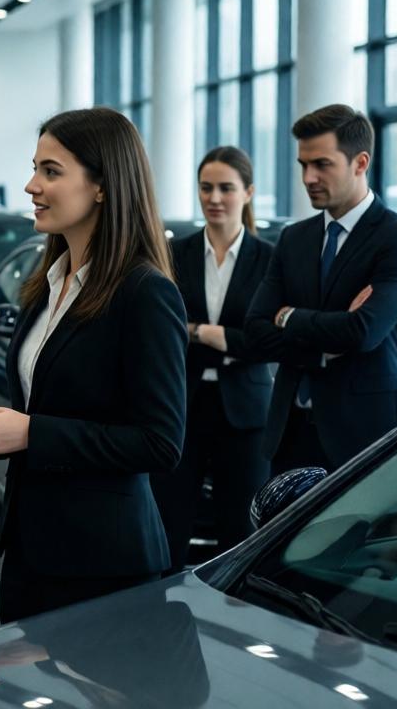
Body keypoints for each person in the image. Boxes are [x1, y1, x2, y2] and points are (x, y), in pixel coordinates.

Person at [0, 107, 187, 623]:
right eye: (35, 168)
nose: (31, 185)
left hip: (104, 565)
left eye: (51, 171)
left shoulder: (145, 293)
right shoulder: (48, 284)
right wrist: (4, 431)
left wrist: (31, 434)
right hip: (31, 550)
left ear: (103, 186)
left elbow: (160, 441)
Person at [245, 104, 397, 474]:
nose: (308, 177)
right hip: (291, 432)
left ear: (360, 163)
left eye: (322, 164)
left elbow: (362, 332)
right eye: (303, 165)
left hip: (366, 436)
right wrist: (324, 344)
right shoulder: (294, 239)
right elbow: (255, 330)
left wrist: (289, 316)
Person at [152, 146, 275, 573]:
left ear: (248, 192)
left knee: (240, 527)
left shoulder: (270, 259)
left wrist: (202, 332)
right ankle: (160, 612)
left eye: (226, 188)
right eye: (206, 188)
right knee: (169, 522)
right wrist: (228, 338)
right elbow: (162, 330)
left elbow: (271, 341)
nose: (214, 198)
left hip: (245, 410)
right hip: (180, 405)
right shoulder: (174, 254)